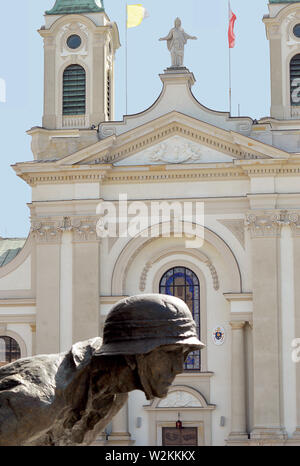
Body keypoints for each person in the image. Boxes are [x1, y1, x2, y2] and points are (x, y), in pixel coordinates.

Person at [0, 294, 204, 446]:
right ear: (135, 354)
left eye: (184, 354)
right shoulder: (37, 403)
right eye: (171, 352)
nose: (179, 367)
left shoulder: (114, 397)